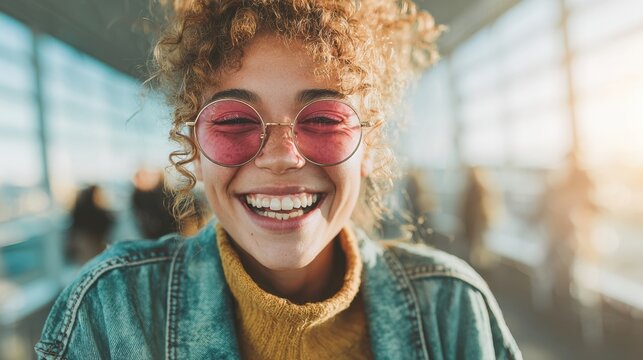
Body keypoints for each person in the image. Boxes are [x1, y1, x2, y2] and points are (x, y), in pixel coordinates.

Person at [36, 1, 521, 359]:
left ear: (367, 147)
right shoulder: (114, 312)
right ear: (196, 151)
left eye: (324, 120)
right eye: (233, 122)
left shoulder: (452, 310)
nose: (282, 157)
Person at [65, 185, 114, 265]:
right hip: (90, 240)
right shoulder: (95, 211)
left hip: (89, 240)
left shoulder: (80, 208)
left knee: (89, 265)